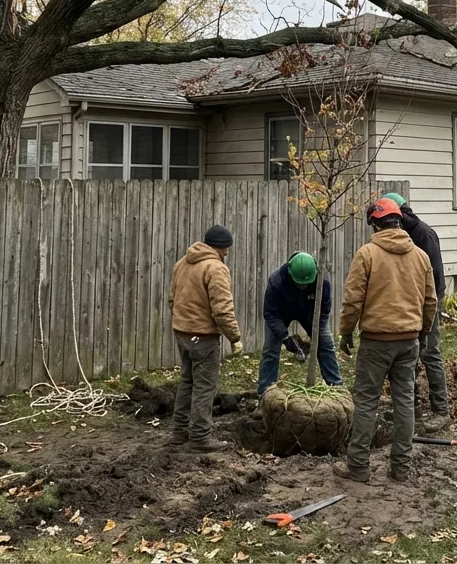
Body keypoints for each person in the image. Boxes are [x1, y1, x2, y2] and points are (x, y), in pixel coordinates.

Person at [334, 197, 437, 484]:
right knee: (404, 401)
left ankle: (358, 467)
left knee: (366, 402)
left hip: (376, 341)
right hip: (409, 341)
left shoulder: (367, 254)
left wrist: (346, 332)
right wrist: (424, 333)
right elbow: (431, 301)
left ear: (376, 225)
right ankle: (401, 469)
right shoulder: (420, 257)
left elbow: (353, 299)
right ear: (399, 222)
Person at [168, 224, 243, 453]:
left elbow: (172, 299)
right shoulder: (215, 268)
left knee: (187, 382)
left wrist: (183, 323)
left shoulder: (183, 263)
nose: (227, 253)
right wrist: (235, 336)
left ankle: (179, 433)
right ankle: (200, 437)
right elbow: (222, 310)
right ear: (220, 248)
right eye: (226, 248)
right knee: (204, 387)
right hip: (203, 336)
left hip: (182, 333)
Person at [383, 191, 450, 431]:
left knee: (429, 353)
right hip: (410, 301)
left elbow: (431, 278)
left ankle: (441, 411)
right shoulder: (404, 234)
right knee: (408, 355)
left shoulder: (423, 234)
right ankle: (412, 410)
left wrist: (425, 308)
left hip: (428, 300)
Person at [257, 252, 343, 396]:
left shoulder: (322, 280)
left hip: (310, 312)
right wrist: (285, 338)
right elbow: (271, 314)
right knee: (270, 351)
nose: (302, 286)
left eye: (306, 283)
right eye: (299, 283)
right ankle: (265, 393)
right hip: (281, 314)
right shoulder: (277, 281)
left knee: (326, 345)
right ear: (290, 273)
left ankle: (336, 388)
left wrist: (317, 333)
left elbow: (324, 310)